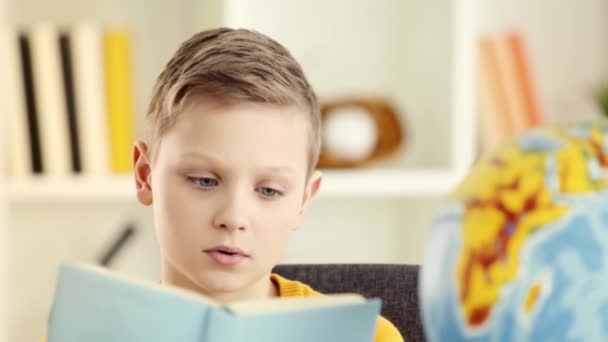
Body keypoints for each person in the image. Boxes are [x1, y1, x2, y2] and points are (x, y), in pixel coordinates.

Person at [42, 27, 403, 342]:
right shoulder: (84, 334)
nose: (233, 217)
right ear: (145, 175)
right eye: (203, 180)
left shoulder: (368, 337)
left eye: (269, 191)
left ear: (304, 200)